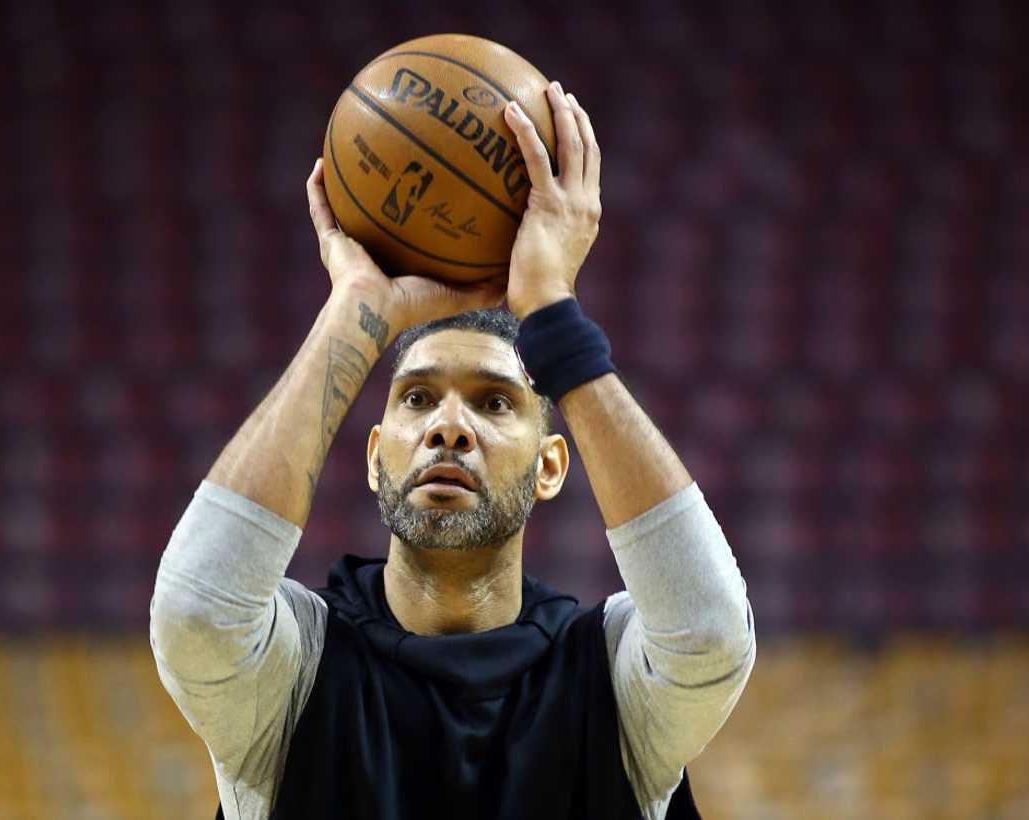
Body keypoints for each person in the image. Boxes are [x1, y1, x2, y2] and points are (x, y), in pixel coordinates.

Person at [150, 81, 755, 820]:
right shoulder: (294, 671)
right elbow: (195, 613)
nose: (448, 426)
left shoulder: (609, 676)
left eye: (495, 401)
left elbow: (711, 633)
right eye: (416, 397)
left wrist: (553, 316)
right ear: (375, 456)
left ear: (552, 467)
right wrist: (357, 313)